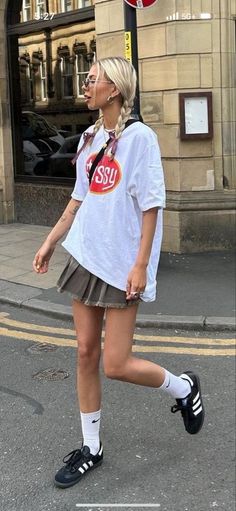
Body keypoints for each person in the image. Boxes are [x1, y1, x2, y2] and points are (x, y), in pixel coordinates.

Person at [33, 56, 204, 489]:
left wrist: (142, 264)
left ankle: (183, 388)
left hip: (121, 264)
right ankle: (91, 447)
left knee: (116, 363)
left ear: (115, 90)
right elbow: (77, 201)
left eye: (93, 80)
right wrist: (51, 241)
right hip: (86, 256)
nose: (86, 85)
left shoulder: (140, 138)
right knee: (85, 353)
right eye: (87, 78)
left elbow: (151, 204)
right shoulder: (90, 138)